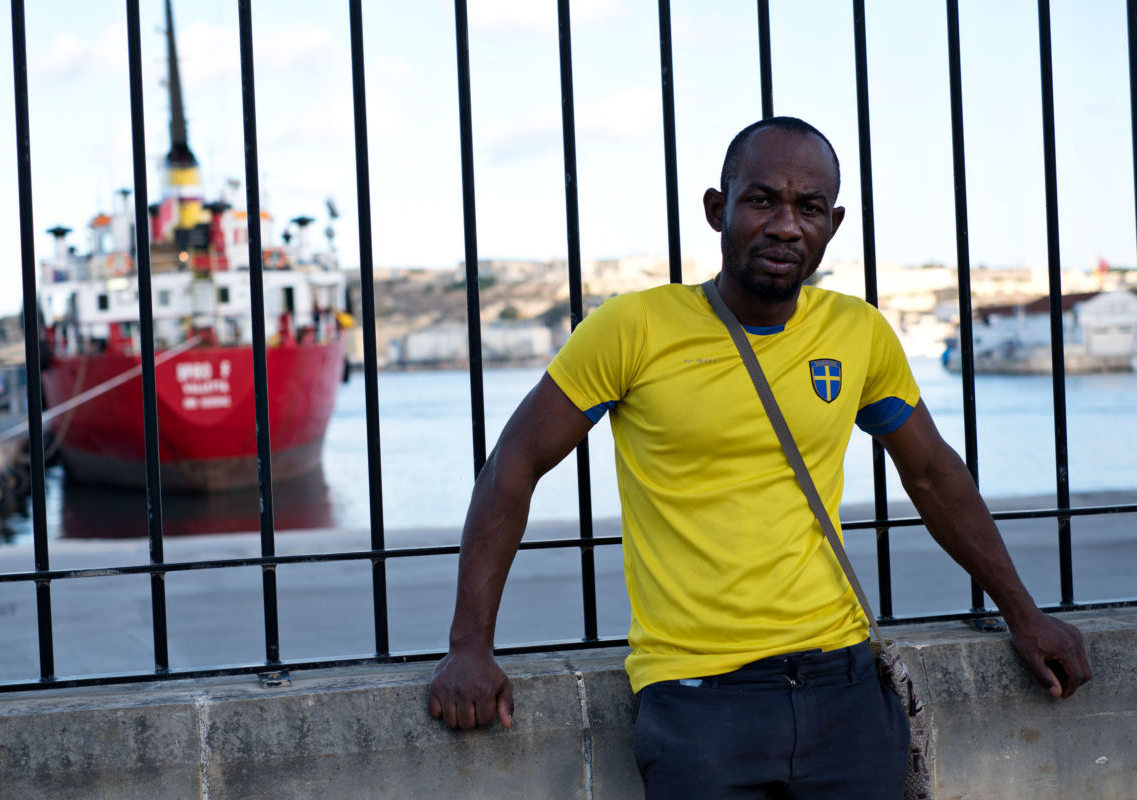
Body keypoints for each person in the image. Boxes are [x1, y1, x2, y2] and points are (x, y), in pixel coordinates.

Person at [426, 116, 1091, 798]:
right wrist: (469, 646)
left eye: (808, 208)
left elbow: (932, 475)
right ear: (718, 209)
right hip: (698, 705)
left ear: (831, 224)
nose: (784, 225)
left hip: (847, 690)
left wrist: (1024, 614)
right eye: (761, 199)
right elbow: (513, 465)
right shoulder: (633, 329)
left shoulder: (857, 332)